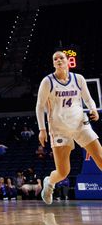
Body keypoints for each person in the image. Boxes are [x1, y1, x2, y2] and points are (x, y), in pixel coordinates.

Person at [38, 50, 102, 205]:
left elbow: (88, 98)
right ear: (53, 63)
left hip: (80, 124)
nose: (59, 60)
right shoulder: (48, 82)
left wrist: (93, 109)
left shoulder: (78, 79)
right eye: (55, 59)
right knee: (63, 172)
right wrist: (42, 129)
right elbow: (40, 107)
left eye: (61, 58)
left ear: (68, 61)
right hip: (59, 128)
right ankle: (49, 182)